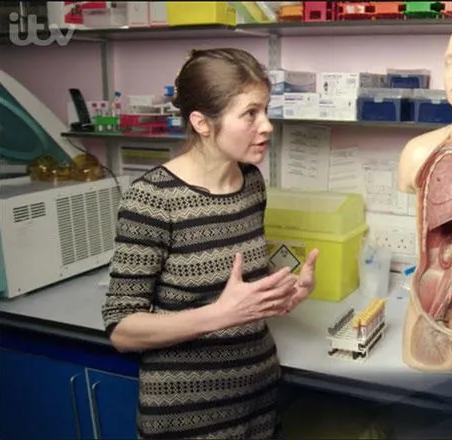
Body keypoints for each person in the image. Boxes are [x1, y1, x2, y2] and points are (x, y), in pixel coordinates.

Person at [101, 48, 319, 439]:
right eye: (250, 113)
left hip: (258, 399)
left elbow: (233, 273)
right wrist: (220, 315)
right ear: (201, 122)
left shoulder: (251, 182)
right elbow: (122, 329)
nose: (266, 126)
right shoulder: (152, 198)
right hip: (189, 416)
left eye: (266, 110)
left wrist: (280, 288)